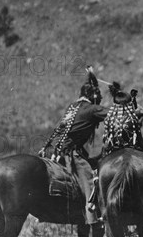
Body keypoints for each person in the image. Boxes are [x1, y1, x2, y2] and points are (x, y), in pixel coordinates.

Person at [39, 66, 108, 224]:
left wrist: (92, 76)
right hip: (71, 154)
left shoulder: (73, 107)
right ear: (94, 95)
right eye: (98, 96)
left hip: (53, 152)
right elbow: (112, 113)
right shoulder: (91, 109)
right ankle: (92, 217)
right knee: (89, 180)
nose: (100, 99)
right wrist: (132, 109)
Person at [101, 82, 143, 206]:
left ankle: (95, 200)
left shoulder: (109, 119)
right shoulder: (133, 119)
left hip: (112, 151)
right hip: (133, 149)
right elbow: (138, 140)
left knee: (97, 174)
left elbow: (105, 142)